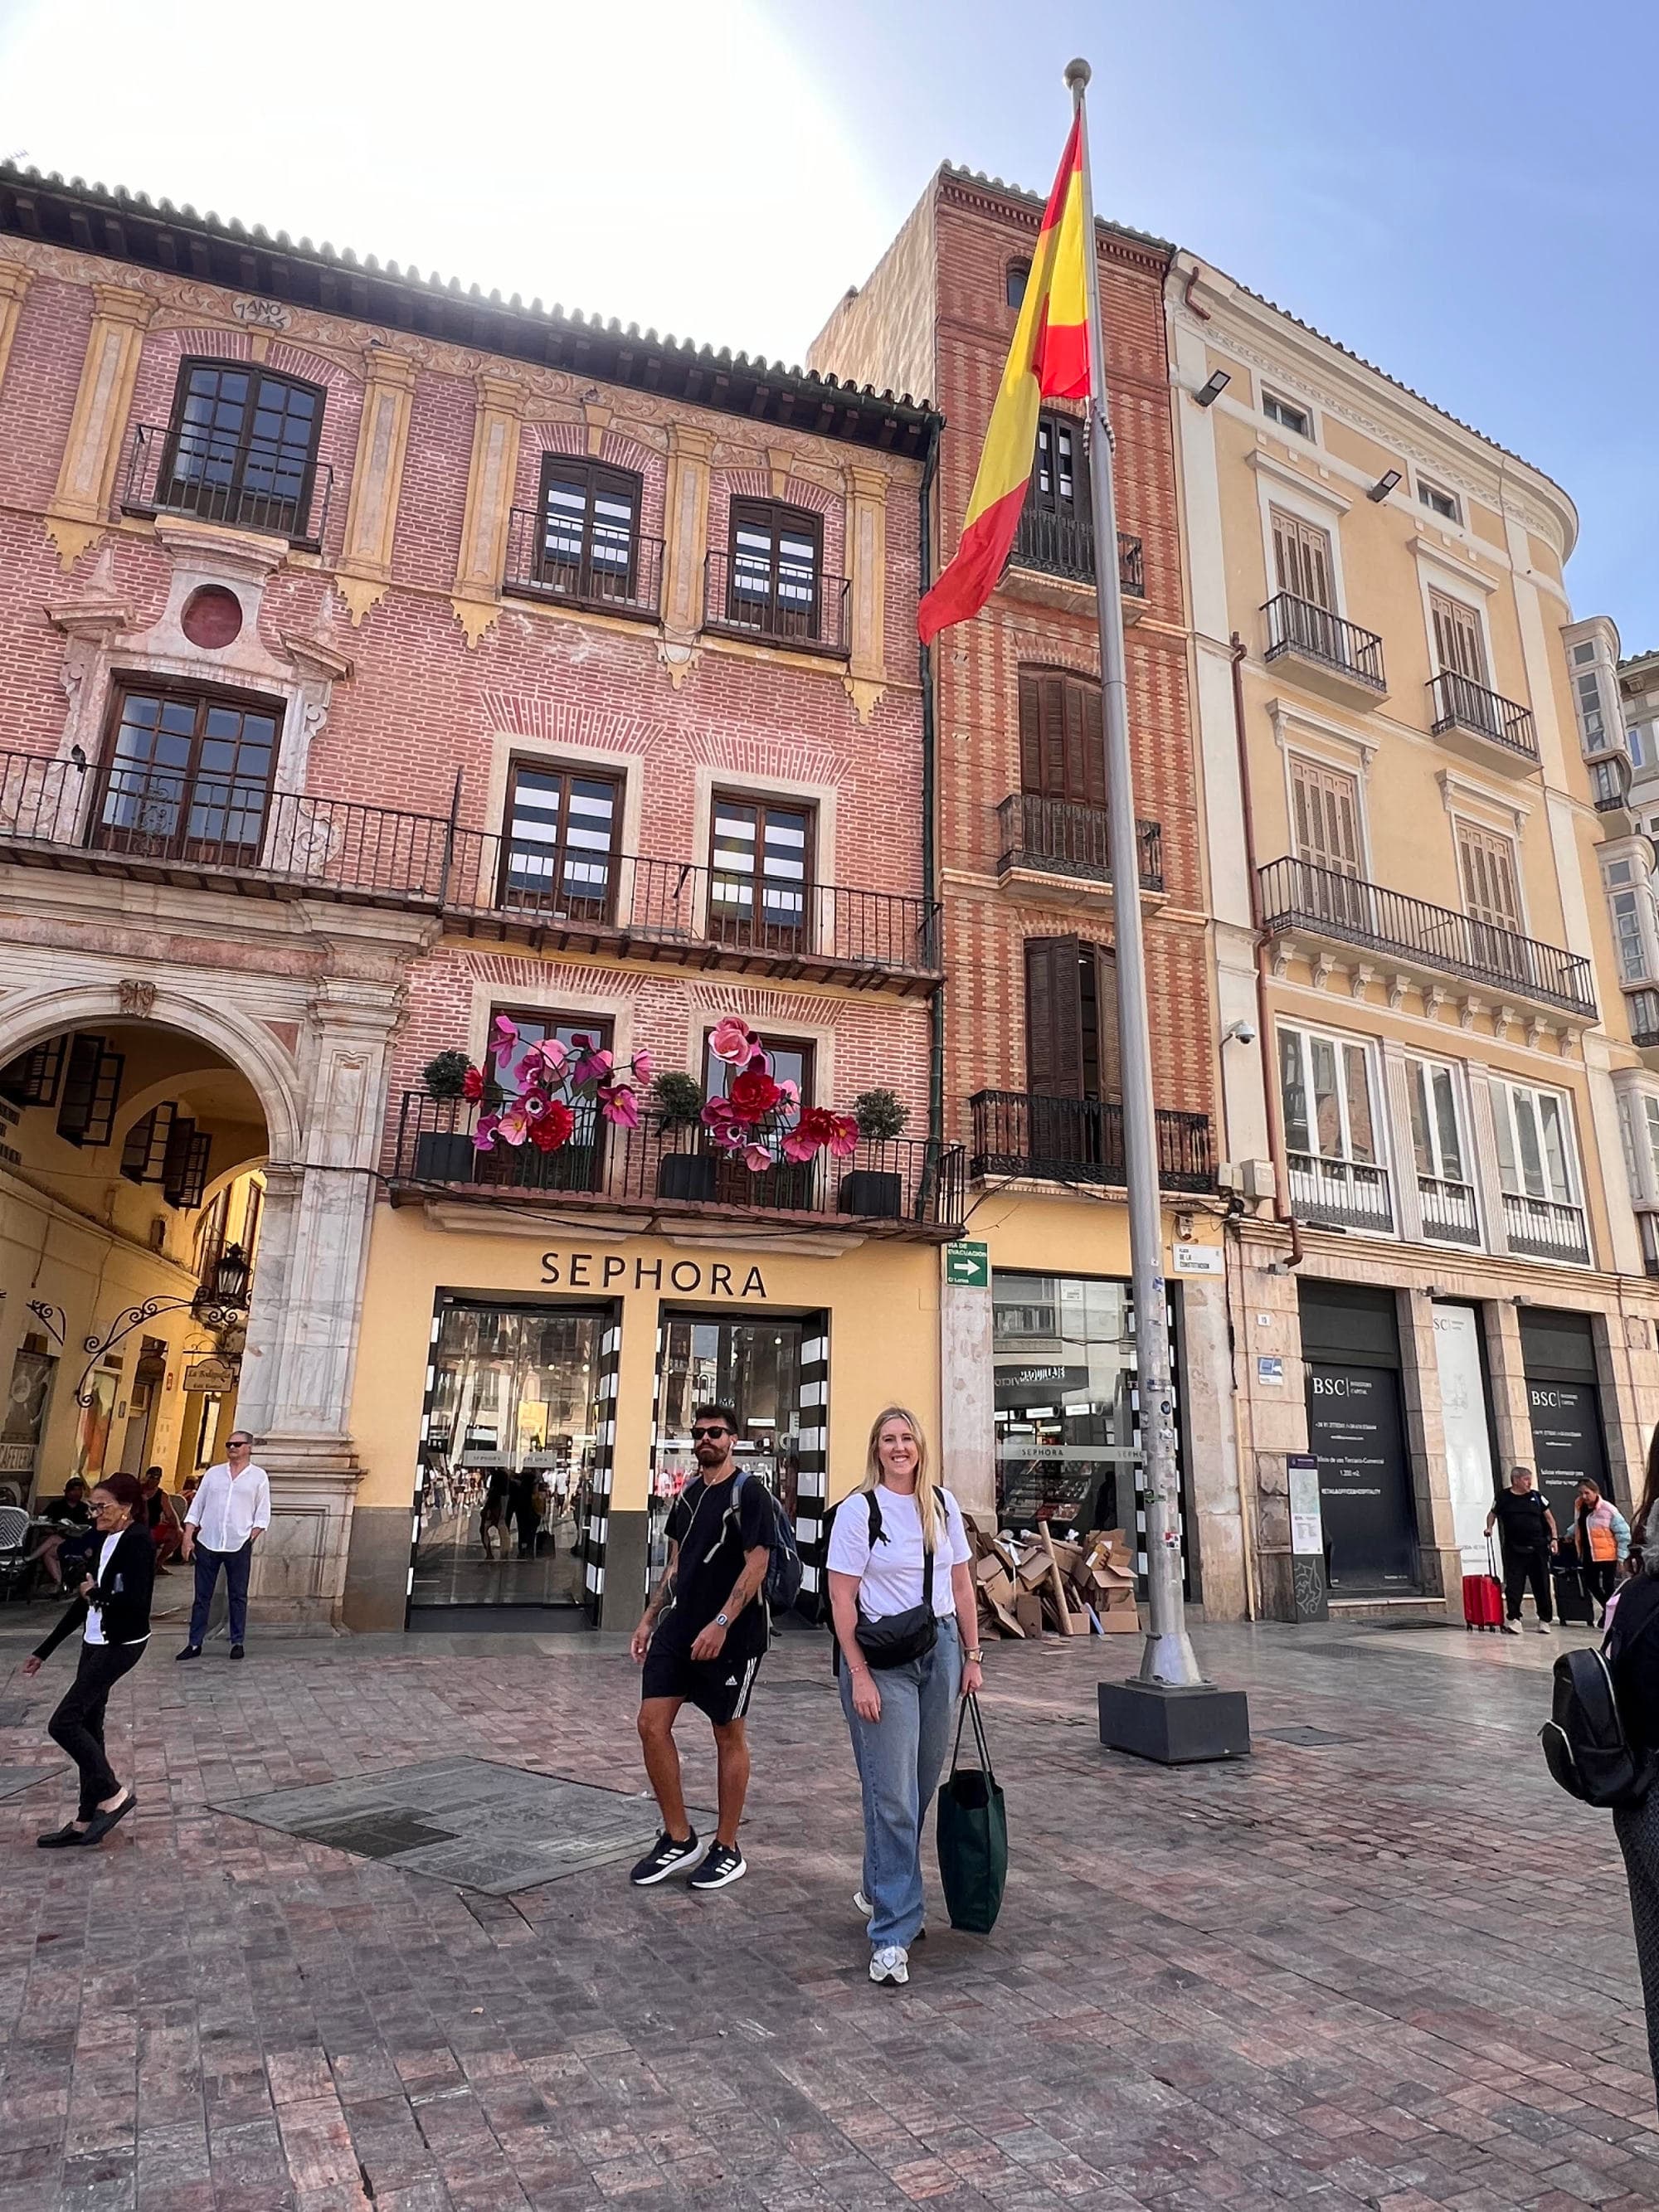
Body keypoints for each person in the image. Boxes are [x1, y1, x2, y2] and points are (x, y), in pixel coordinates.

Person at [826, 1406, 981, 1987]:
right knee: (890, 1794)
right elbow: (842, 1599)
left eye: (907, 1438)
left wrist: (972, 1654)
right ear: (876, 1448)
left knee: (915, 1790)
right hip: (881, 1658)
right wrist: (859, 1673)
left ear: (919, 1446)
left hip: (938, 1648)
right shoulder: (858, 1511)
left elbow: (962, 1584)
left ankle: (877, 1883)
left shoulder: (943, 1505)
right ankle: (893, 1930)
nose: (899, 1448)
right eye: (889, 1439)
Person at [630, 1404, 771, 1893]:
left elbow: (757, 1565)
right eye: (699, 1433)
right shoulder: (688, 1495)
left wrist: (721, 1622)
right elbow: (674, 1565)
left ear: (734, 1439)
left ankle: (727, 1847)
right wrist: (650, 1617)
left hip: (731, 1637)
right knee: (651, 1725)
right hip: (678, 1630)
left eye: (716, 1432)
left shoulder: (749, 1493)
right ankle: (678, 1835)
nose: (706, 1439)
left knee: (727, 1735)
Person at [22, 1470, 153, 1847]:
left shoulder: (138, 1542)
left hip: (121, 1644)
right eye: (93, 1507)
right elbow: (83, 1604)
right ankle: (84, 1820)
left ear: (126, 1508)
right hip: (94, 1641)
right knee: (89, 1728)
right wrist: (43, 1651)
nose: (95, 1513)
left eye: (102, 1507)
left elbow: (134, 1604)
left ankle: (114, 1795)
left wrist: (95, 1593)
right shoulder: (103, 1537)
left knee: (63, 1723)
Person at [178, 1430, 270, 1661]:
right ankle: (194, 1642)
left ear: (249, 1447)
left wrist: (250, 1537)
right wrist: (188, 1537)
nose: (232, 1448)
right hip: (208, 1541)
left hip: (239, 1543)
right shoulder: (213, 1474)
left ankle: (237, 1641)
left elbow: (262, 1513)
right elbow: (196, 1507)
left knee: (238, 1595)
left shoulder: (258, 1477)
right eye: (229, 1444)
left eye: (237, 1444)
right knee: (202, 1596)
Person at [1486, 1465, 1557, 1636]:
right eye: (1525, 1479)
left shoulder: (1536, 1497)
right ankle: (1515, 1619)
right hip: (1514, 1549)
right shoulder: (1503, 1497)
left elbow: (1550, 1519)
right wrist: (1489, 1528)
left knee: (1541, 1584)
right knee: (1514, 1585)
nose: (1529, 1483)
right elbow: (1492, 1513)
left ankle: (1544, 1620)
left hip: (1538, 1548)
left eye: (1529, 1479)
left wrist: (1554, 1539)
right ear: (1516, 1480)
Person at [1569, 1477, 1632, 1628]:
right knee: (1591, 1583)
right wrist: (1568, 1534)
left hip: (1607, 1554)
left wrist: (1621, 1557)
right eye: (1581, 1493)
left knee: (1609, 1585)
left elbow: (1623, 1533)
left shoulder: (1608, 1509)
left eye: (1587, 1493)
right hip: (1589, 1553)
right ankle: (1609, 1611)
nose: (1584, 1497)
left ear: (1595, 1492)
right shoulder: (1580, 1507)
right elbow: (1580, 1525)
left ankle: (1611, 1615)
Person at [27, 1475, 91, 1591]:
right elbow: (45, 1522)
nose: (77, 1493)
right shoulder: (56, 1506)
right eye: (74, 1490)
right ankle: (59, 1582)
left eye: (79, 1490)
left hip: (78, 1540)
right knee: (51, 1547)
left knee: (53, 1540)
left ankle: (29, 1559)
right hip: (62, 1538)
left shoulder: (84, 1509)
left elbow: (88, 1528)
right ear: (66, 1491)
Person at [141, 1467, 183, 1573]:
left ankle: (158, 1564)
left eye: (157, 1478)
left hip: (153, 1527)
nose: (154, 1481)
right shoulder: (137, 1490)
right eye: (152, 1477)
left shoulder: (161, 1495)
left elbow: (170, 1514)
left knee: (177, 1534)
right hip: (136, 1526)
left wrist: (178, 1527)